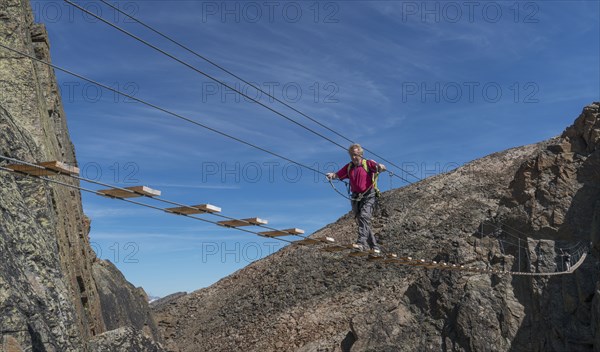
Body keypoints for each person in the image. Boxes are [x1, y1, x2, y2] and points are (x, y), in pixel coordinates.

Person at [326, 144, 386, 254]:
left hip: (369, 195)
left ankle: (361, 243)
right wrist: (332, 175)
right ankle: (374, 246)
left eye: (356, 154)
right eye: (352, 155)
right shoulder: (349, 167)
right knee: (362, 221)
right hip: (355, 198)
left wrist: (381, 167)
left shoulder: (367, 163)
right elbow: (338, 175)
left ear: (361, 154)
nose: (354, 157)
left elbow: (378, 167)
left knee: (364, 217)